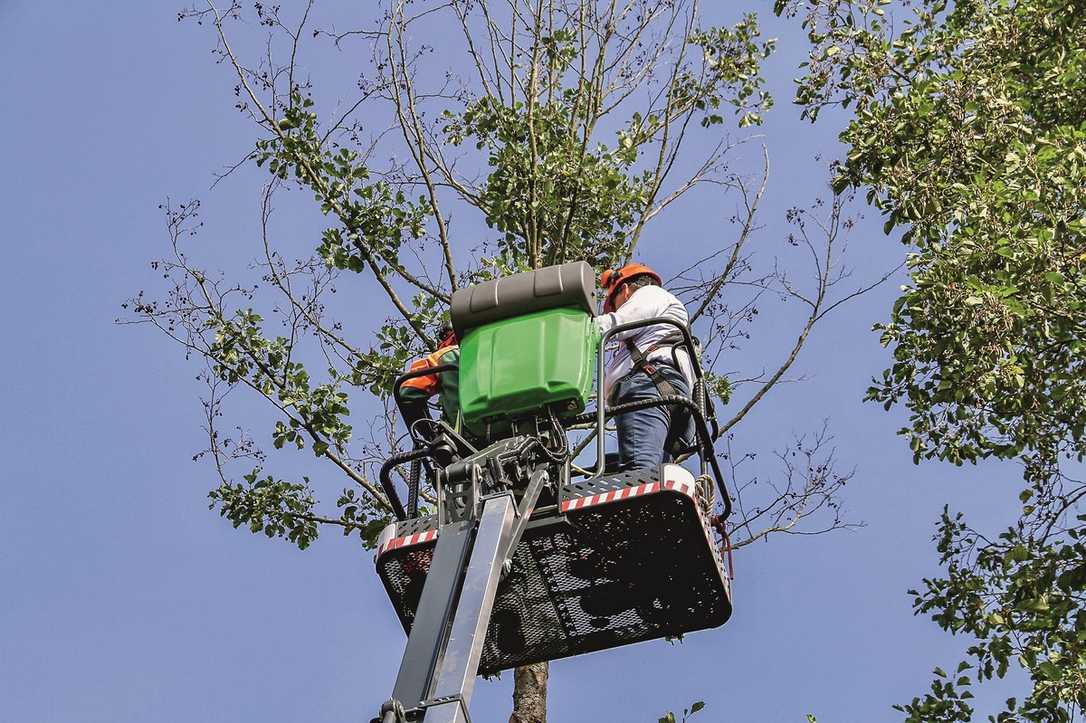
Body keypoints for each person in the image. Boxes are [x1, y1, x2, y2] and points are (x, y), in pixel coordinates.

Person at [596, 263, 695, 471]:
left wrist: (570, 331)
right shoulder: (657, 329)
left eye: (614, 304)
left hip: (648, 388)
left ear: (625, 290)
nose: (616, 309)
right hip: (668, 396)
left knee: (638, 475)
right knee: (653, 477)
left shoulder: (649, 293)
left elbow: (615, 323)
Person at [398, 326, 461, 443]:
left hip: (469, 441)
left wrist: (432, 436)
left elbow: (407, 392)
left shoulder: (444, 356)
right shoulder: (503, 344)